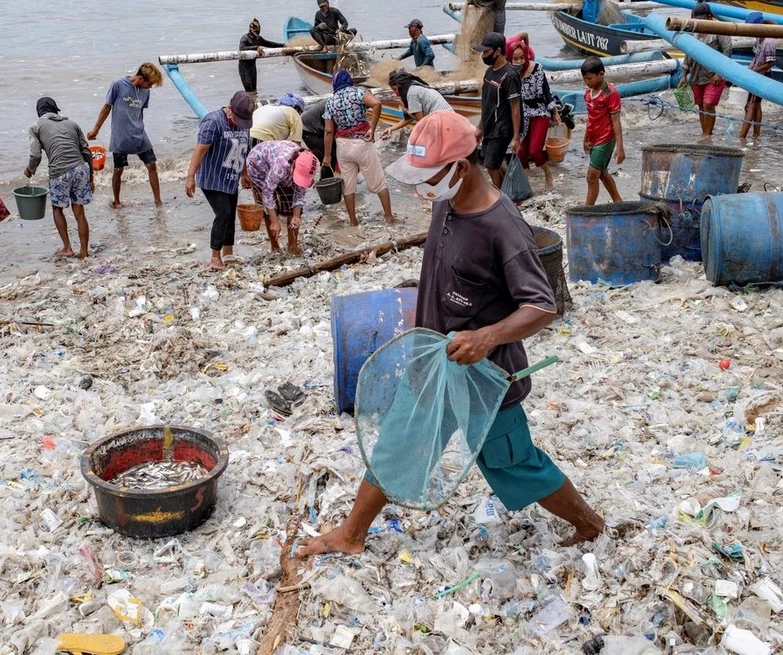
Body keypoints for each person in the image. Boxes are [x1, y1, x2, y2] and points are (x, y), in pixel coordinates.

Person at [296, 111, 605, 559]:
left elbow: (542, 306)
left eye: (428, 176)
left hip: (487, 375)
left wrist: (486, 337)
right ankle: (351, 534)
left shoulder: (503, 227)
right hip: (433, 361)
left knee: (513, 463)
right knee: (398, 442)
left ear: (460, 167)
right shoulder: (446, 201)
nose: (421, 188)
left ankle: (590, 523)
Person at [185, 91, 254, 271]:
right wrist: (190, 177)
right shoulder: (213, 122)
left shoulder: (244, 122)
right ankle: (215, 258)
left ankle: (228, 254)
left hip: (231, 177)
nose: (241, 123)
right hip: (212, 178)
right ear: (229, 109)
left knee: (230, 215)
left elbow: (243, 149)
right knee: (223, 213)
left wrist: (245, 173)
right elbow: (200, 150)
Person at [323, 69, 397, 227]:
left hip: (342, 145)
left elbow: (329, 131)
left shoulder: (330, 102)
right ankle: (389, 218)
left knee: (348, 184)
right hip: (361, 142)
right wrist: (372, 127)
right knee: (378, 181)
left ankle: (353, 221)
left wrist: (327, 156)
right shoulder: (359, 92)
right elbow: (377, 103)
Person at [24, 97, 95, 259]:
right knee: (80, 213)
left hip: (59, 172)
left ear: (39, 111)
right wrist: (90, 177)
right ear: (55, 109)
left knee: (57, 209)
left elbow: (35, 154)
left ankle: (67, 248)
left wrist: (30, 170)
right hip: (80, 168)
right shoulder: (72, 124)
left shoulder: (36, 126)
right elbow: (86, 151)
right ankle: (84, 252)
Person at [88, 62, 165, 208]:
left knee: (151, 165)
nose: (151, 87)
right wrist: (96, 129)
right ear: (141, 78)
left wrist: (140, 125)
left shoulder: (145, 92)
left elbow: (140, 111)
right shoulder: (118, 85)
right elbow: (107, 107)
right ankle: (116, 201)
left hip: (139, 134)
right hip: (120, 135)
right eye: (150, 83)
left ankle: (157, 200)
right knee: (118, 169)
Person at [244, 141, 318, 255]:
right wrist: (275, 221)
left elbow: (299, 192)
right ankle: (275, 246)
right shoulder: (281, 166)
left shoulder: (310, 163)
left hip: (277, 163)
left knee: (290, 206)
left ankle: (292, 246)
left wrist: (296, 216)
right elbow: (267, 193)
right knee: (270, 211)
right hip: (258, 164)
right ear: (293, 165)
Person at [509, 38, 560, 191]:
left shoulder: (537, 68)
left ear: (526, 56)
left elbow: (546, 91)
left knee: (535, 150)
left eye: (521, 57)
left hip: (539, 110)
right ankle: (526, 183)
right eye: (515, 58)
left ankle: (547, 174)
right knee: (521, 151)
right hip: (522, 114)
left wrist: (555, 112)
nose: (519, 61)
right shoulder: (510, 74)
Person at [473, 32, 522, 189]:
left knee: (491, 165)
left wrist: (516, 137)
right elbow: (486, 102)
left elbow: (515, 107)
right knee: (492, 161)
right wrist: (480, 127)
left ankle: (499, 197)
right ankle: (511, 190)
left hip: (501, 128)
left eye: (486, 52)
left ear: (498, 51)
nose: (484, 55)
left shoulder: (510, 75)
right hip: (489, 126)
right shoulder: (489, 72)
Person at [678, 3, 732, 137]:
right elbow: (688, 52)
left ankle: (708, 135)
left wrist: (719, 73)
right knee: (701, 106)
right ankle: (705, 134)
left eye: (702, 18)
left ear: (708, 17)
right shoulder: (694, 30)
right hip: (697, 74)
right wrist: (684, 75)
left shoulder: (718, 28)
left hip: (713, 75)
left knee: (708, 104)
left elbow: (727, 50)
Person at [581, 57, 625, 205]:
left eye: (590, 78)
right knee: (602, 173)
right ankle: (618, 201)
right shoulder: (588, 94)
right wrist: (585, 138)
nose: (587, 82)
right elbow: (590, 119)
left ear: (601, 74)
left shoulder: (610, 93)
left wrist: (620, 148)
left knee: (591, 176)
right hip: (593, 138)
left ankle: (587, 210)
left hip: (606, 139)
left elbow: (616, 121)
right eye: (585, 79)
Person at [381, 69, 454, 139]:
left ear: (400, 86)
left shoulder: (411, 93)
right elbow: (408, 119)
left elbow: (421, 121)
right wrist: (391, 128)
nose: (396, 94)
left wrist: (405, 109)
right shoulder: (415, 87)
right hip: (451, 119)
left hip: (442, 122)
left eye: (395, 89)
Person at [740, 13, 777, 142]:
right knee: (756, 105)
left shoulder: (769, 41)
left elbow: (771, 62)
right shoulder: (759, 38)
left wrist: (755, 70)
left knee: (750, 106)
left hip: (762, 75)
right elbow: (756, 58)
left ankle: (742, 137)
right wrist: (749, 69)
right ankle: (756, 135)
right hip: (756, 73)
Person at [238, 19, 285, 94]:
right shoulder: (245, 38)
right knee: (248, 88)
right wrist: (256, 47)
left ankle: (254, 102)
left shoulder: (258, 38)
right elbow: (242, 48)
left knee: (254, 88)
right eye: (254, 28)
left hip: (252, 65)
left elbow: (269, 44)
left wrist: (282, 45)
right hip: (244, 66)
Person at [301, 100, 336, 171]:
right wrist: (327, 155)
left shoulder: (339, 102)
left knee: (334, 152)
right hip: (308, 129)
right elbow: (329, 131)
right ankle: (328, 178)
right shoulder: (333, 106)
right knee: (328, 156)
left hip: (319, 126)